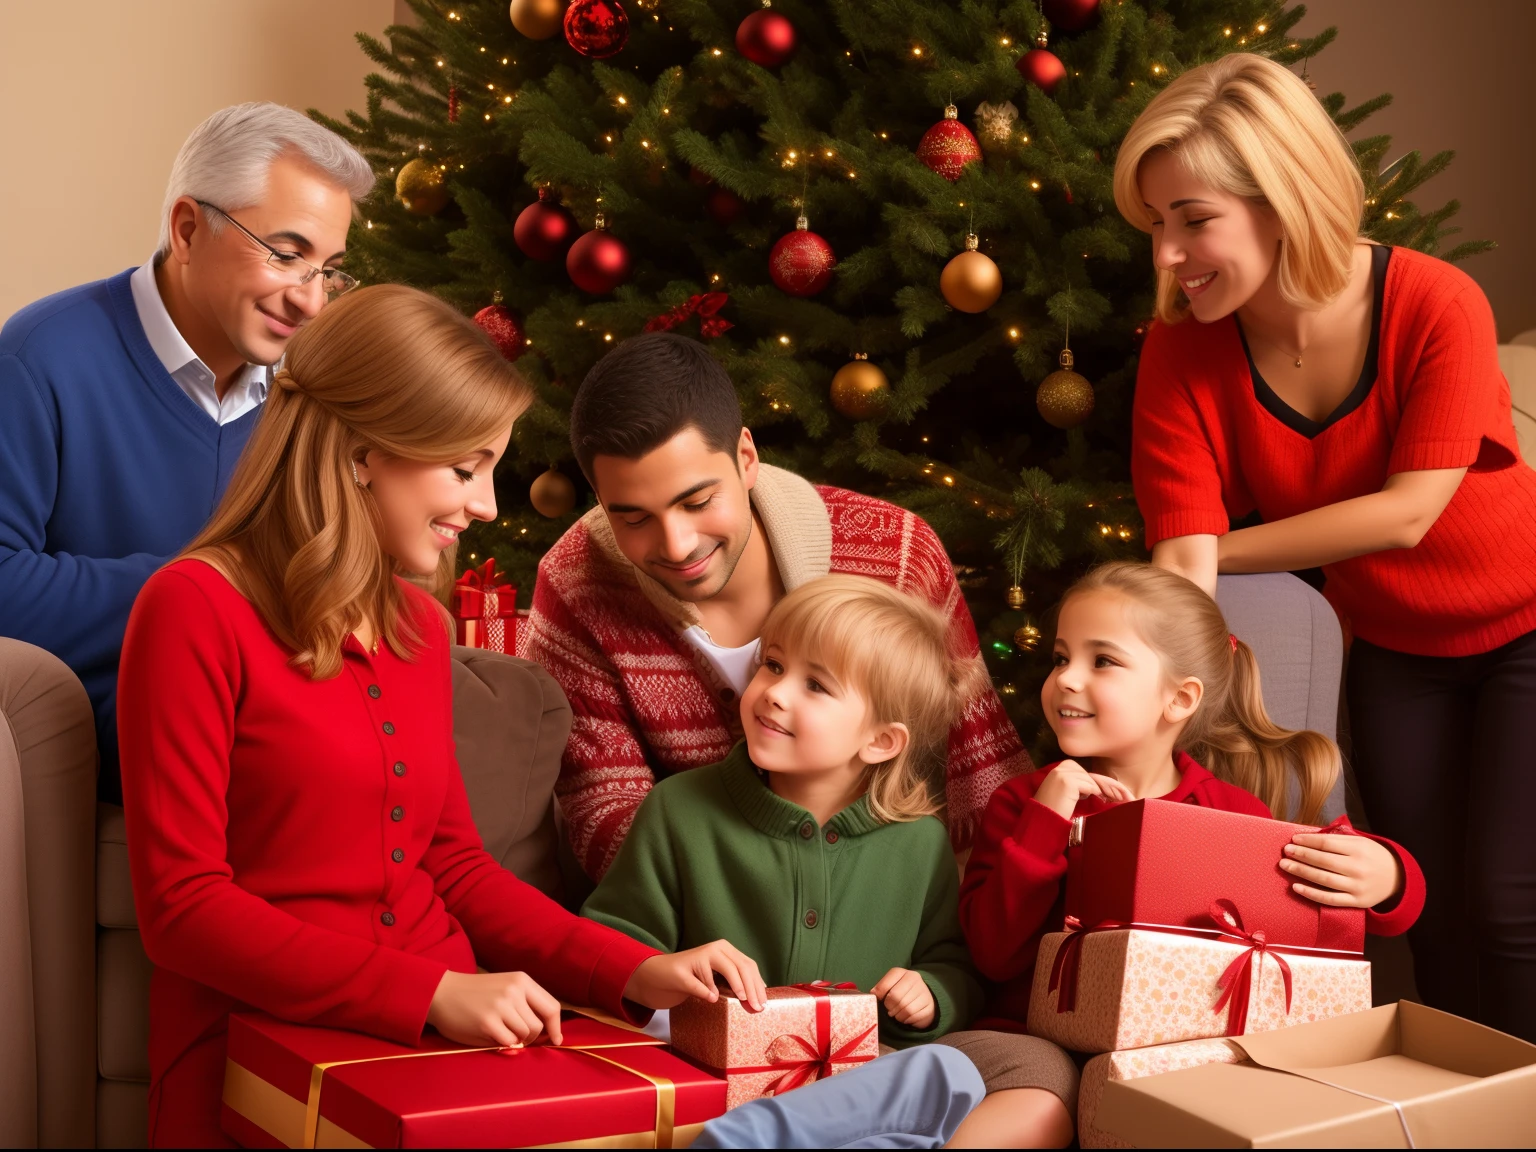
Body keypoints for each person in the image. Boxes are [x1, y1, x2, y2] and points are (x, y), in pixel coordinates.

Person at [117, 286, 758, 1148]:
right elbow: (183, 907)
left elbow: (454, 866)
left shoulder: (419, 626)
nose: (488, 505)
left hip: (449, 1054)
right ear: (362, 453)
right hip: (256, 1050)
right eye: (465, 468)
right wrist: (428, 995)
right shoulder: (193, 607)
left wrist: (636, 969)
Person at [1113, 52, 1536, 1041]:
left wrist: (1218, 546)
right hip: (1397, 650)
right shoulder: (1180, 350)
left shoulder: (1435, 302)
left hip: (1529, 621)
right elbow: (1183, 566)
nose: (1169, 255)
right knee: (1424, 911)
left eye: (1193, 219)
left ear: (1283, 201)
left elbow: (1406, 515)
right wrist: (1154, 744)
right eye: (1156, 227)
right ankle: (1469, 1113)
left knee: (1510, 904)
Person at [522, 332, 1030, 881]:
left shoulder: (897, 553)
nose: (676, 544)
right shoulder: (575, 583)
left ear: (745, 458)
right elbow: (605, 820)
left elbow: (981, 775)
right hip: (697, 930)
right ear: (601, 501)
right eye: (634, 518)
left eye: (697, 501)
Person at [951, 561, 1425, 1147]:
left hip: (1173, 1048)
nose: (1067, 679)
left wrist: (1391, 877)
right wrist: (1047, 820)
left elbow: (1309, 902)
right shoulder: (1021, 801)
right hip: (1030, 1039)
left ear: (1178, 699)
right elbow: (994, 955)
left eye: (1101, 661)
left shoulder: (1228, 812)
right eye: (1059, 657)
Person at [0, 102, 373, 802]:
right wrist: (209, 594)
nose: (312, 303)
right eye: (288, 256)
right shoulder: (40, 357)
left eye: (329, 270)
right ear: (188, 229)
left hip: (280, 707)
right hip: (131, 724)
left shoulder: (312, 387)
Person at [584, 574, 985, 1147]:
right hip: (708, 1077)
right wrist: (663, 972)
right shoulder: (679, 810)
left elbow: (953, 964)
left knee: (949, 1075)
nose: (775, 691)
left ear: (880, 742)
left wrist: (932, 994)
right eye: (773, 665)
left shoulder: (919, 842)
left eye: (816, 686)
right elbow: (607, 943)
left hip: (852, 1087)